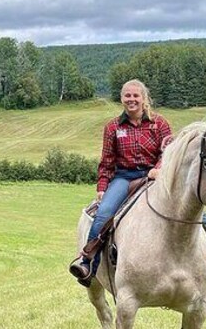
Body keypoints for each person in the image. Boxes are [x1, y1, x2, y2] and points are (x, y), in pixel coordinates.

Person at [69, 79, 172, 286]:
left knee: (189, 206)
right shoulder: (113, 127)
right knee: (104, 212)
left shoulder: (159, 123)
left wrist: (159, 168)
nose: (131, 99)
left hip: (153, 176)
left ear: (144, 98)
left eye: (136, 95)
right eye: (127, 95)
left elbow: (170, 150)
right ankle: (88, 262)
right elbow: (107, 161)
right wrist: (102, 187)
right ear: (121, 98)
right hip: (124, 176)